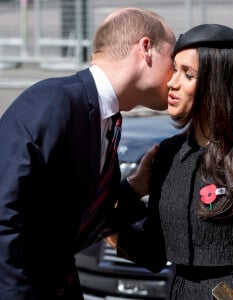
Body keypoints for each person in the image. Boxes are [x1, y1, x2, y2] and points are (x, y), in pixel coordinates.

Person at [107, 24, 233, 299]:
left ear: (219, 84)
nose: (172, 83)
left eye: (188, 75)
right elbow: (153, 252)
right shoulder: (168, 156)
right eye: (174, 69)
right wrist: (124, 195)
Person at [0, 7, 175, 300]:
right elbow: (5, 216)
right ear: (146, 49)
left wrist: (132, 189)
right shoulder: (54, 102)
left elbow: (69, 214)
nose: (175, 76)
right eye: (173, 58)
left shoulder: (104, 120)